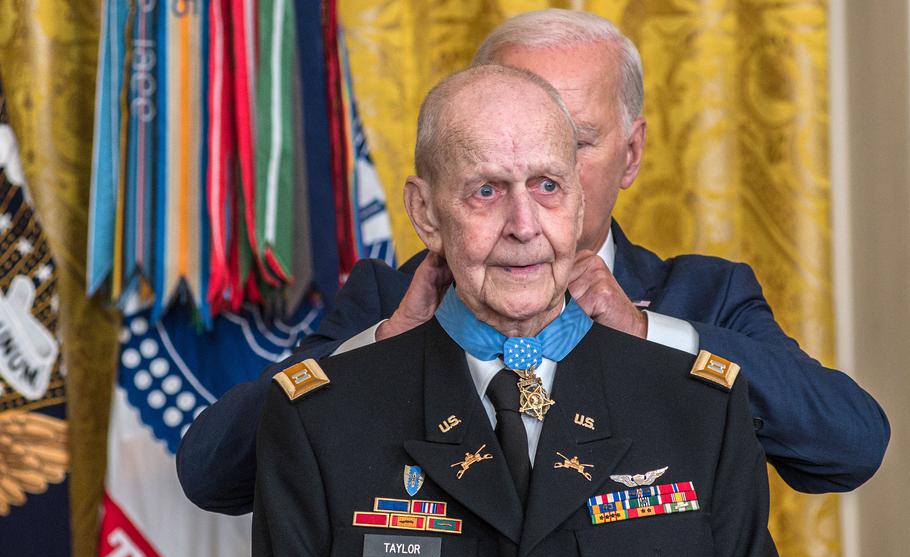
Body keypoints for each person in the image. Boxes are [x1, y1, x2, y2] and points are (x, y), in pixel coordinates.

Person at [177, 9, 889, 515]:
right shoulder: (389, 298)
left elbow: (849, 447)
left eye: (569, 142)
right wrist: (383, 347)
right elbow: (215, 475)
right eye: (497, 149)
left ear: (632, 154)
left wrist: (651, 337)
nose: (534, 181)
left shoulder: (703, 297)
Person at [253, 64, 780, 557]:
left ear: (578, 203)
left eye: (547, 185)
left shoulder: (699, 409)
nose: (524, 226)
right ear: (426, 214)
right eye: (486, 191)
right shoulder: (321, 418)